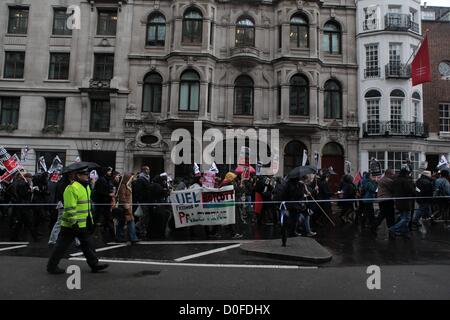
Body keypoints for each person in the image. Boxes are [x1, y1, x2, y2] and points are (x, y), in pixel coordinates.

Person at [47, 167, 109, 274]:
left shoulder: (86, 187)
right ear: (78, 176)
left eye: (87, 174)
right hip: (71, 224)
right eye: (85, 174)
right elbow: (70, 208)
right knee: (61, 247)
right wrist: (74, 222)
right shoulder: (71, 188)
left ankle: (94, 265)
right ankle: (51, 267)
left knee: (87, 244)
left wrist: (90, 220)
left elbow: (87, 205)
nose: (87, 176)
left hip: (82, 223)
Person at [389, 165, 415, 239]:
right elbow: (410, 190)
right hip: (405, 201)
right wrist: (414, 188)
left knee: (403, 217)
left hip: (398, 201)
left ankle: (405, 232)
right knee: (406, 218)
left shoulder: (396, 180)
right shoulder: (405, 180)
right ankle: (393, 229)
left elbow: (392, 190)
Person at [115, 173, 139, 243]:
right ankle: (133, 238)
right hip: (125, 207)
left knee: (121, 222)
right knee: (130, 221)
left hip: (126, 206)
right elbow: (122, 196)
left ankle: (118, 237)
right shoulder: (123, 186)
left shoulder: (126, 185)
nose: (131, 180)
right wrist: (125, 204)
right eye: (131, 178)